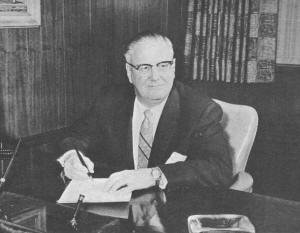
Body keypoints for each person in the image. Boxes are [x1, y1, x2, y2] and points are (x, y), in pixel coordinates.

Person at [57, 31, 233, 193]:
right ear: (129, 72)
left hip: (171, 209)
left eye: (163, 65)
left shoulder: (200, 109)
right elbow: (77, 135)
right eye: (145, 67)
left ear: (173, 67)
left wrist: (153, 175)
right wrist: (72, 156)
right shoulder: (110, 100)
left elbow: (220, 169)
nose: (155, 76)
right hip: (119, 206)